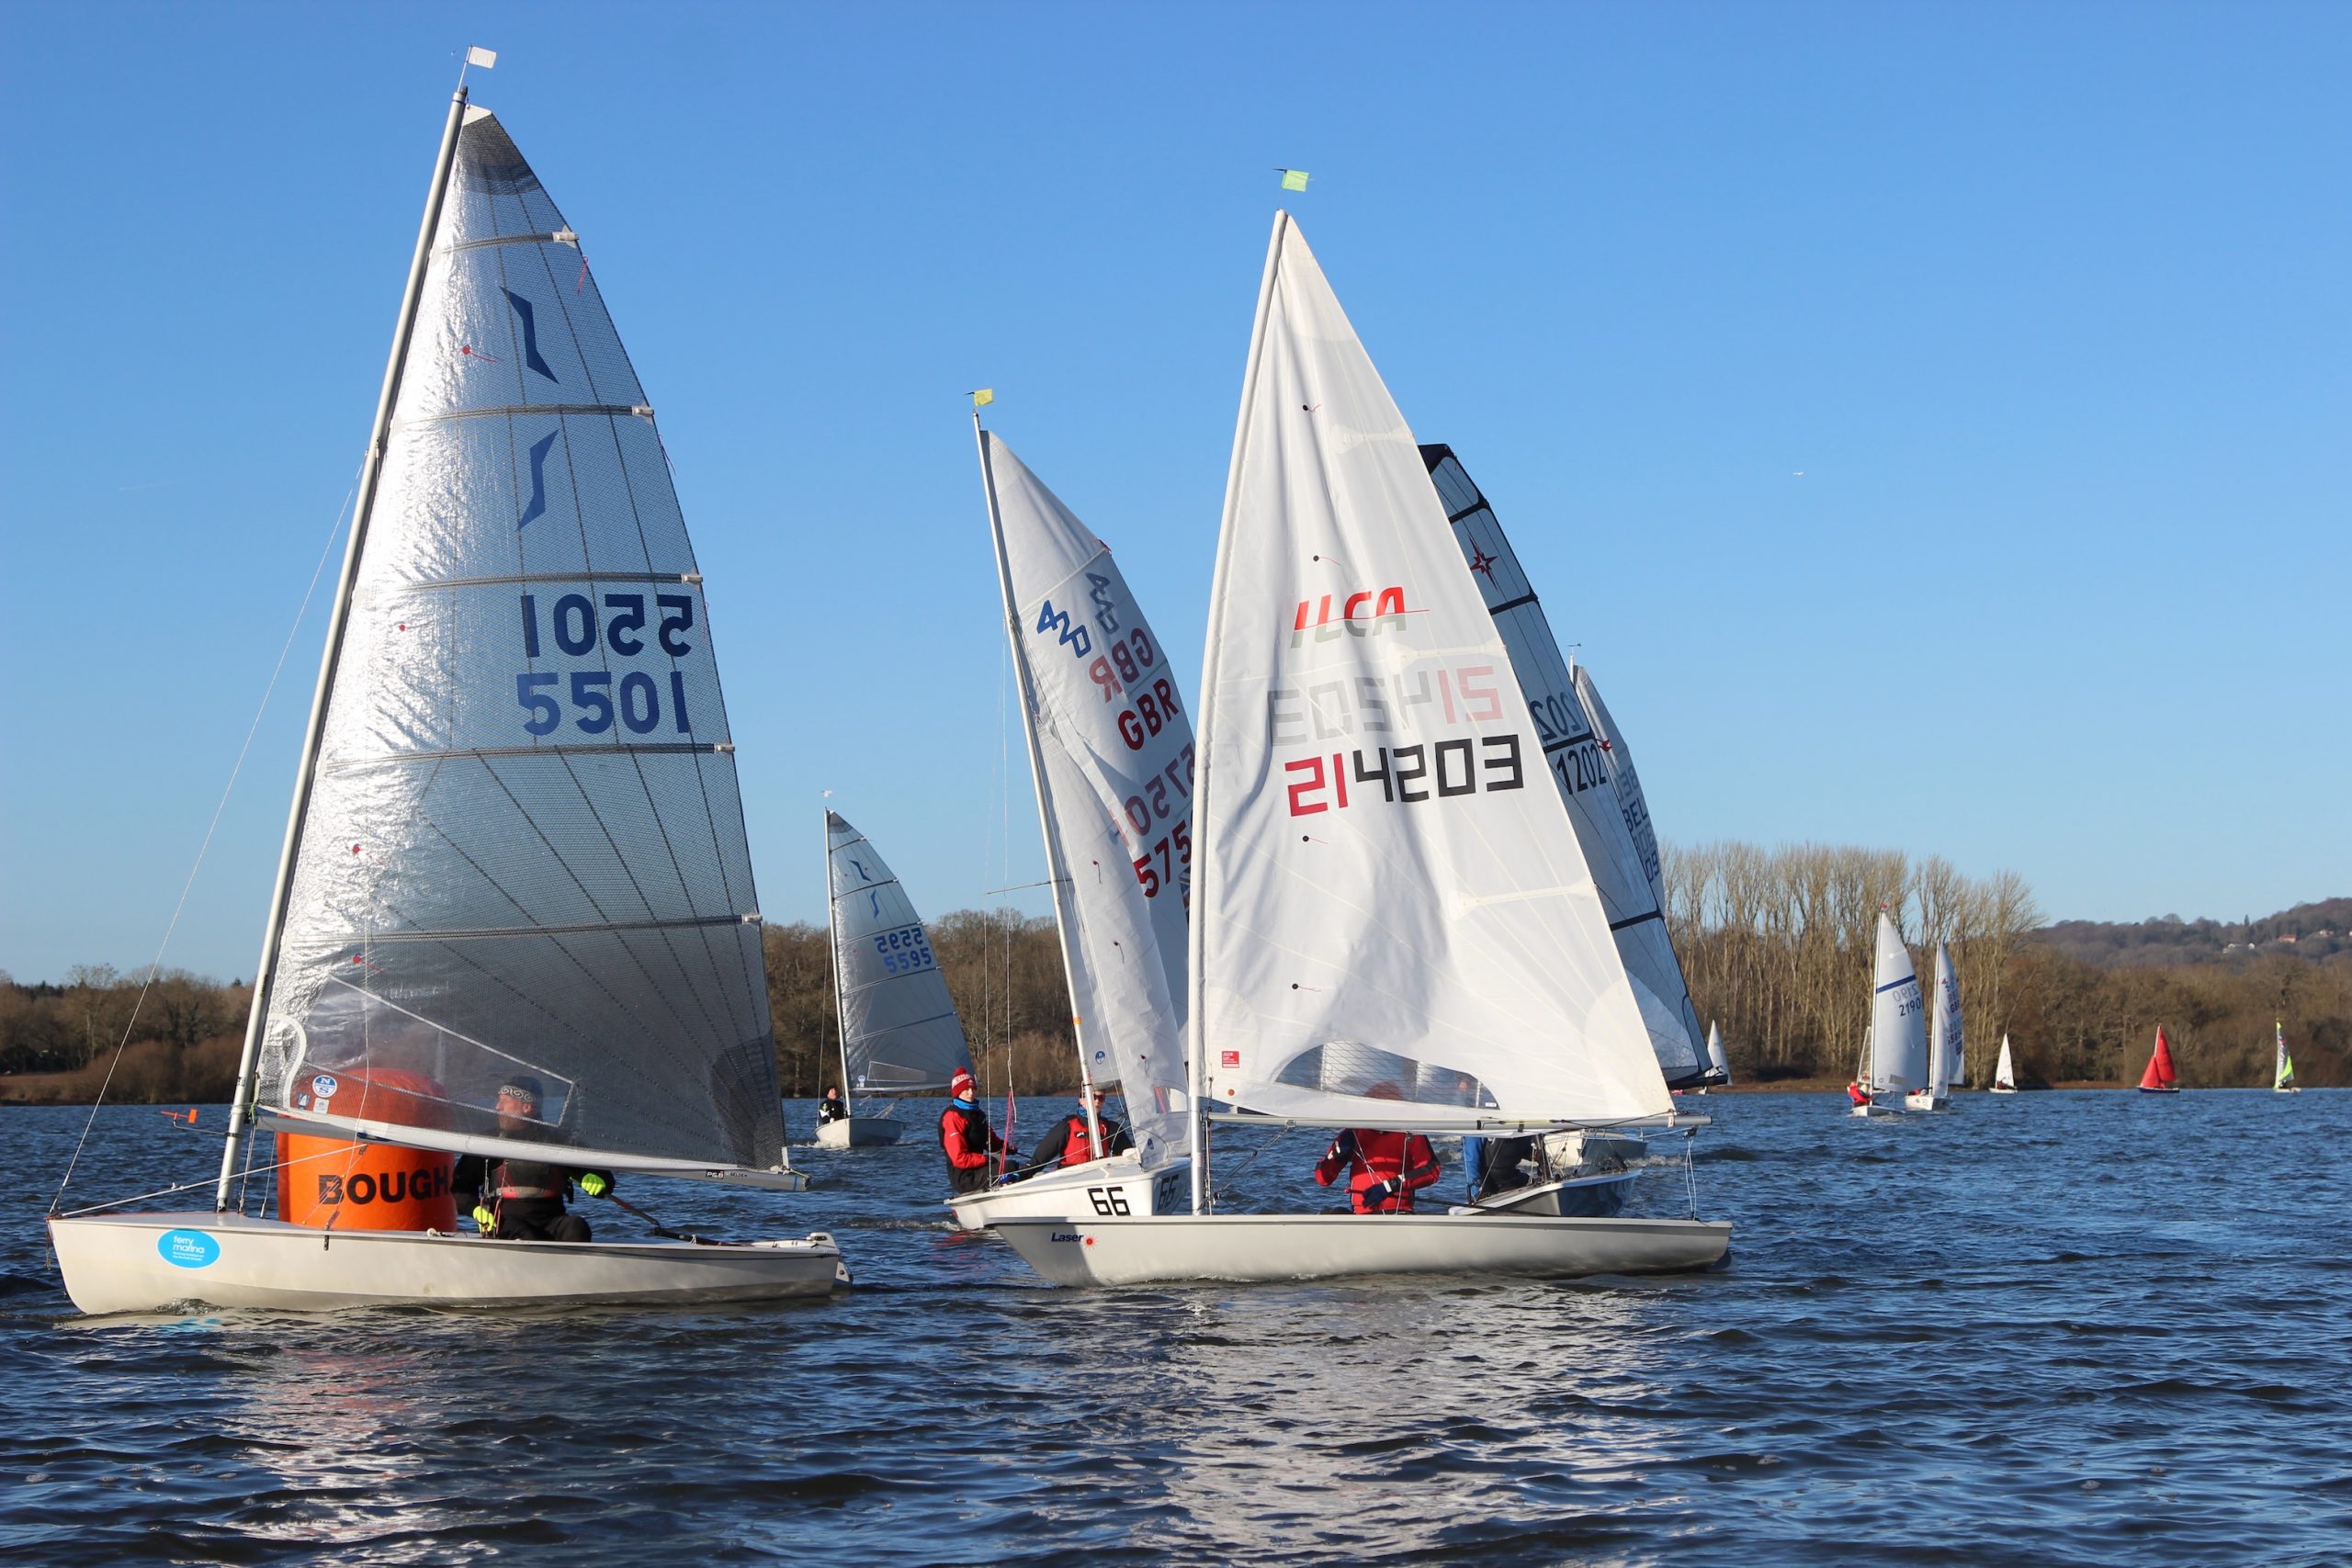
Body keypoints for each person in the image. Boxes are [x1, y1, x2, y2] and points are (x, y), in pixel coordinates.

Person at [455, 1077, 614, 1243]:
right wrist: (475, 1209)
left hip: (552, 1221)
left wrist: (599, 1180)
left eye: (504, 1102)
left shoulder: (558, 1141)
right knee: (526, 1236)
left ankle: (575, 1259)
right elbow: (459, 1186)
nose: (497, 1107)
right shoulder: (488, 1142)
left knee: (576, 1225)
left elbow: (603, 1175)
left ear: (527, 1107)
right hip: (507, 1223)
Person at [1314, 1084, 1442, 1214]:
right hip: (1361, 1215)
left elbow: (1432, 1171)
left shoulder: (1410, 1134)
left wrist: (1390, 1185)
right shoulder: (1353, 1133)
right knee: (1333, 1213)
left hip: (1399, 1213)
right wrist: (1336, 1157)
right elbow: (1322, 1179)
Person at [939, 1066, 1017, 1195]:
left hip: (979, 1168)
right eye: (966, 1090)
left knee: (1015, 1166)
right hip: (965, 1177)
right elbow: (959, 1158)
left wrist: (1006, 1148)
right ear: (958, 1092)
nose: (971, 1093)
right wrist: (986, 1160)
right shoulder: (953, 1117)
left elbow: (992, 1142)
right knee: (1009, 1167)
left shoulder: (978, 1114)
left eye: (973, 1089)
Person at [1023, 1089, 1134, 1173]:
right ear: (1081, 1100)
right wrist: (1022, 1174)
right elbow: (1038, 1161)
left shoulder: (1111, 1128)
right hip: (1070, 1176)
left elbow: (1130, 1157)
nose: (1097, 1101)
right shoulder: (1066, 1127)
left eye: (1101, 1098)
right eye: (1093, 1097)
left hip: (1099, 1174)